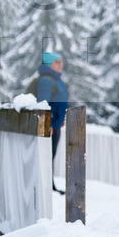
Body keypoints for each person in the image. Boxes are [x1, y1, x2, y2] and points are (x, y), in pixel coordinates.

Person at [28, 52, 68, 192]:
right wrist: (47, 124)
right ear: (49, 65)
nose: (60, 65)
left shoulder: (57, 81)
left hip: (55, 125)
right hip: (47, 126)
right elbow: (43, 103)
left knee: (50, 155)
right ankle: (44, 186)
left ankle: (49, 185)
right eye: (57, 62)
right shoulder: (46, 81)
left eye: (61, 62)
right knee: (45, 155)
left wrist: (60, 119)